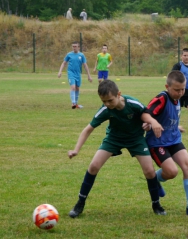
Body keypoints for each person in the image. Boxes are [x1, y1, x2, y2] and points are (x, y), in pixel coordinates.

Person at [67, 79, 166, 218]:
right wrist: (76, 149)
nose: (107, 104)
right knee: (94, 166)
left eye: (110, 100)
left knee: (149, 171)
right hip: (114, 139)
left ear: (119, 94)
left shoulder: (132, 104)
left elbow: (145, 115)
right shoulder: (106, 110)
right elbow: (88, 129)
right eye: (104, 101)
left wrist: (152, 122)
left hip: (136, 139)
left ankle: (156, 204)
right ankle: (80, 203)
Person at [143, 70, 188, 217]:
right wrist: (148, 124)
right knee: (172, 172)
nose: (181, 92)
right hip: (157, 143)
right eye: (177, 90)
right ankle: (154, 180)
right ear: (167, 86)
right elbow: (146, 114)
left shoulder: (178, 98)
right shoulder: (161, 99)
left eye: (183, 89)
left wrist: (176, 127)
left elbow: (168, 117)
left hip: (174, 139)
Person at [58, 42, 92, 109]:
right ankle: (73, 103)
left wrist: (89, 76)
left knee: (77, 88)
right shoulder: (69, 54)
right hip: (71, 73)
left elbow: (85, 65)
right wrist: (60, 71)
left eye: (75, 46)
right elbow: (64, 63)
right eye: (73, 46)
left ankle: (76, 104)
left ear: (78, 47)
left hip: (78, 74)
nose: (74, 48)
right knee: (73, 87)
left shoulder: (81, 55)